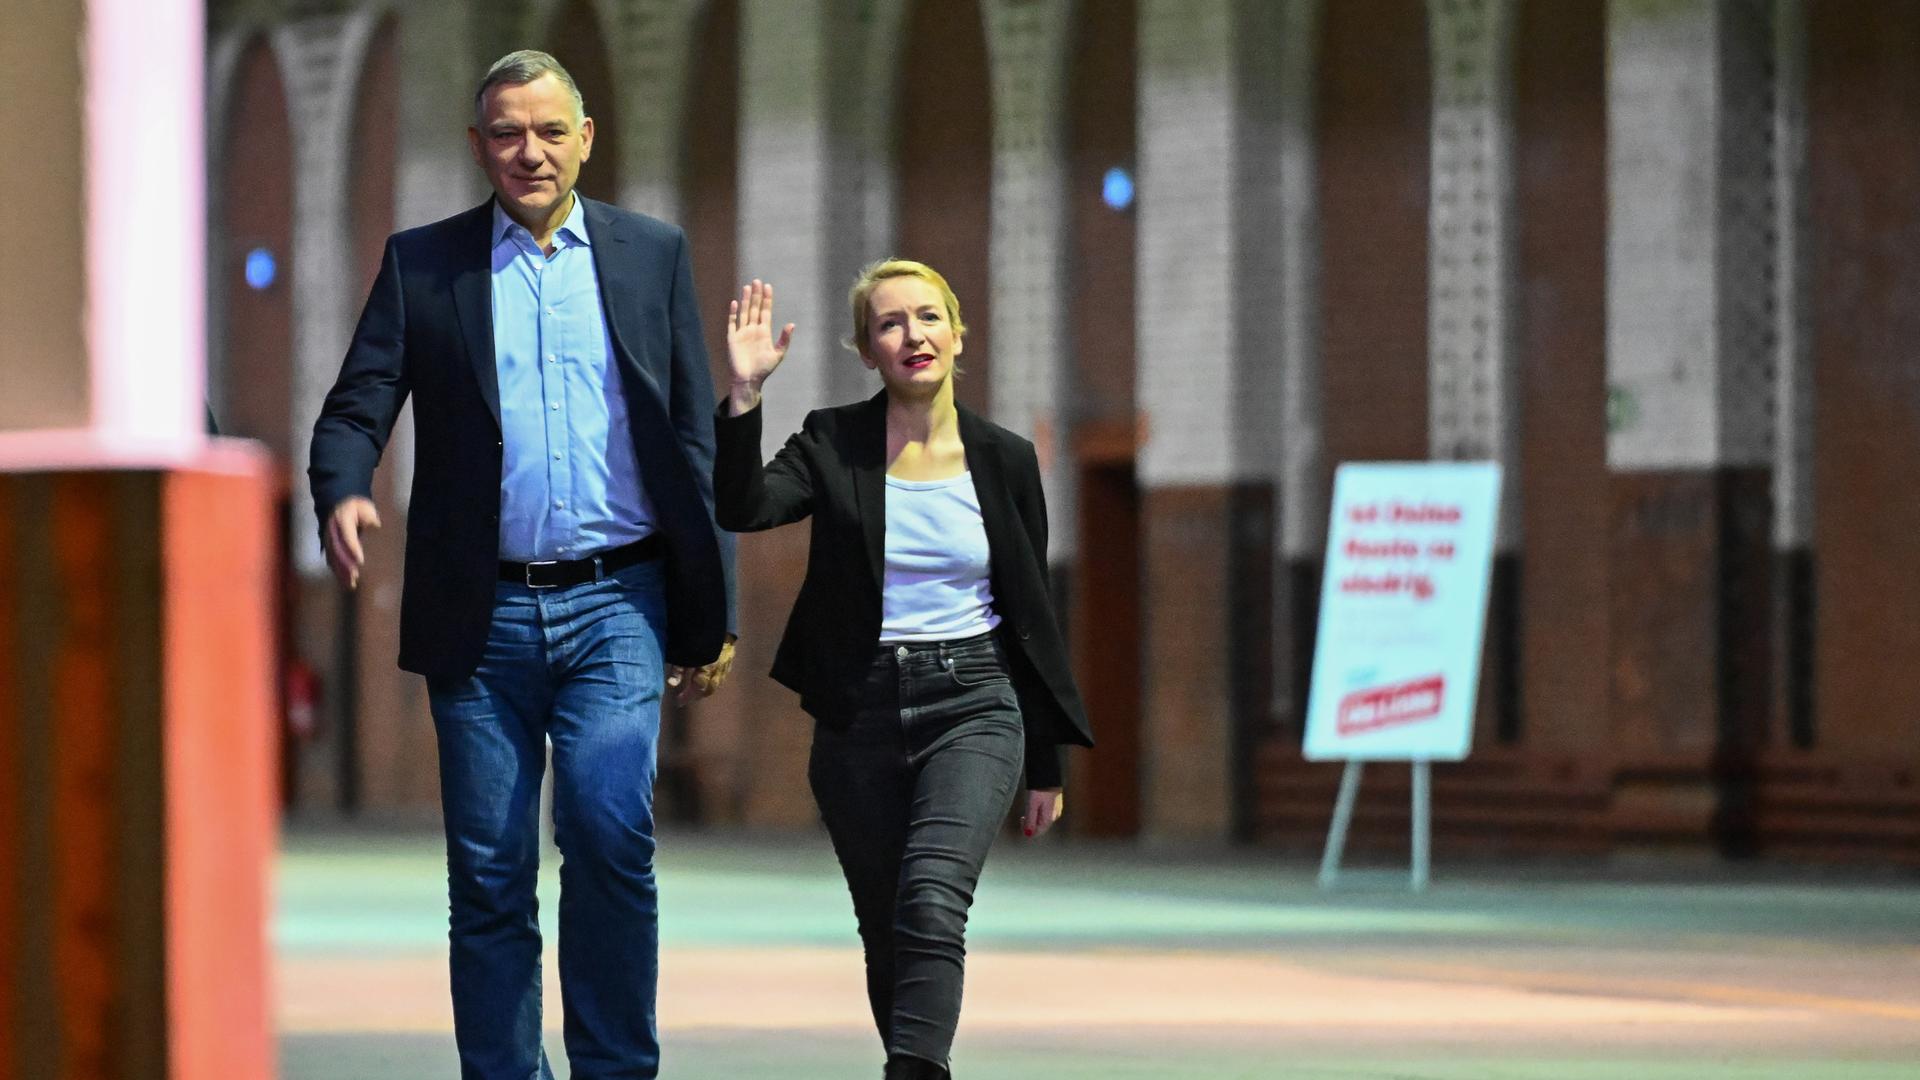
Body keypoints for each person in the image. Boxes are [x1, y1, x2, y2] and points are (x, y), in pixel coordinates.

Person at [307, 49, 735, 1080]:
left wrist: (704, 606)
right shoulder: (426, 265)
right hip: (481, 618)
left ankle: (615, 1068)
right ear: (477, 146)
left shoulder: (650, 254)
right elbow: (355, 406)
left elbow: (690, 440)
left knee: (606, 832)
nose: (528, 152)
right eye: (507, 133)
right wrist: (345, 488)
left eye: (549, 131)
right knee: (490, 875)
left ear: (585, 139)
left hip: (617, 603)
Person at [713, 263, 1094, 1079]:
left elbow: (1032, 614)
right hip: (860, 712)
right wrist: (744, 399)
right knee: (886, 924)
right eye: (889, 324)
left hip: (977, 702)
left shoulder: (1006, 459)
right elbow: (744, 509)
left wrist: (1046, 762)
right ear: (865, 350)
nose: (912, 335)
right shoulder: (831, 441)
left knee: (929, 901)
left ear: (958, 336)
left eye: (928, 318)